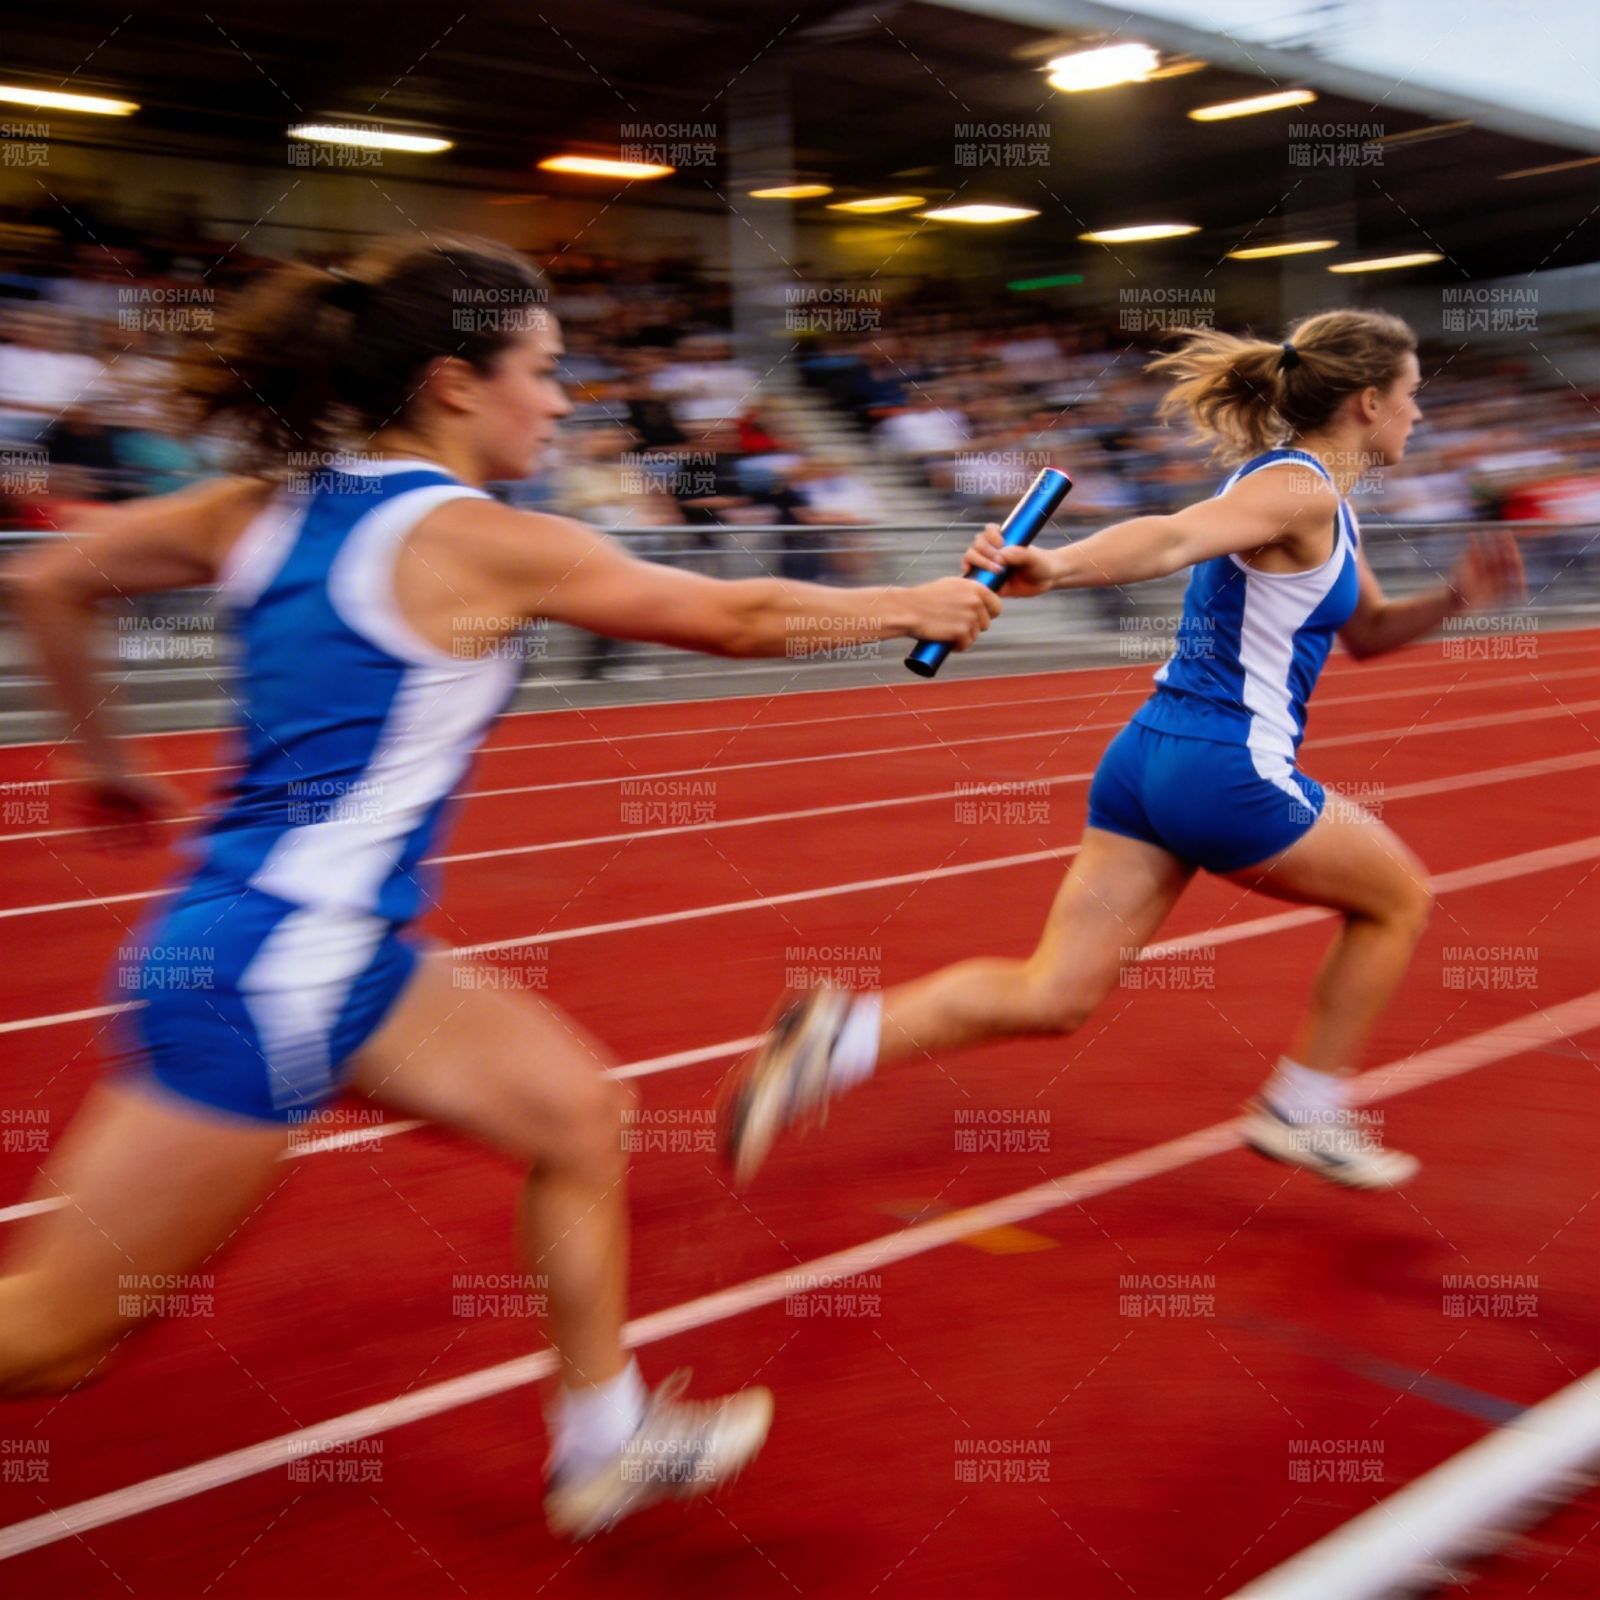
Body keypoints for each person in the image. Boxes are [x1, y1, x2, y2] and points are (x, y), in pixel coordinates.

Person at [0, 235, 1000, 1539]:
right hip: (273, 976)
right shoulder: (477, 539)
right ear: (457, 383)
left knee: (579, 1118)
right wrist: (912, 606)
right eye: (546, 370)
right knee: (59, 1338)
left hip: (337, 956)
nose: (567, 401)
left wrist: (111, 766)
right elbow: (735, 620)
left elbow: (51, 578)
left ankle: (604, 1440)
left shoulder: (262, 504)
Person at [723, 309, 1526, 1194]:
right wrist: (1059, 567)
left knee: (1055, 995)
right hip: (1226, 768)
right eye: (1414, 397)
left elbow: (1367, 631)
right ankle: (1304, 1104)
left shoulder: (1324, 506)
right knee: (1400, 898)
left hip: (1149, 762)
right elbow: (1175, 533)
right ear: (1369, 403)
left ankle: (841, 1039)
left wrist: (1455, 597)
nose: (1421, 416)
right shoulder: (1298, 490)